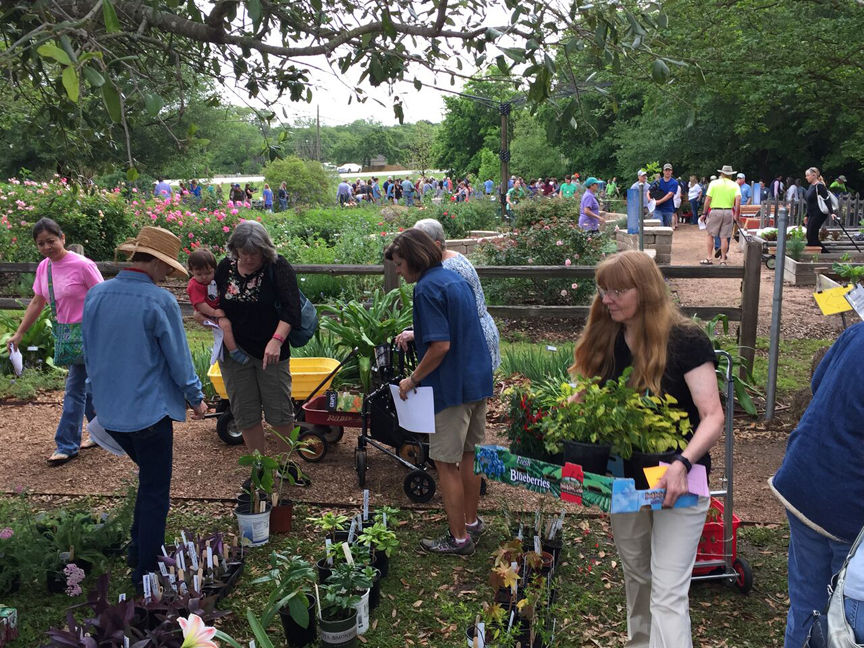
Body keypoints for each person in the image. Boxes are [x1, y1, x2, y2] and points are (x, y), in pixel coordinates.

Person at [570, 250, 724, 648]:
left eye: (617, 291)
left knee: (668, 592)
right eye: (603, 291)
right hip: (625, 483)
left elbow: (712, 416)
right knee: (638, 578)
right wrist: (561, 414)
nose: (607, 299)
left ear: (645, 290)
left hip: (680, 483)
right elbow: (585, 399)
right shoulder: (609, 338)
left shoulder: (686, 340)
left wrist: (682, 463)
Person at [82, 226, 207, 590]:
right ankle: (146, 574)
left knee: (148, 480)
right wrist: (196, 397)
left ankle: (137, 548)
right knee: (155, 491)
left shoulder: (97, 294)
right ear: (154, 262)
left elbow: (88, 350)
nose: (166, 275)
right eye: (166, 267)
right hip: (148, 414)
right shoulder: (158, 300)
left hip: (109, 412)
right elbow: (179, 359)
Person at [386, 229, 493, 555]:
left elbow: (441, 346)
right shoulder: (454, 279)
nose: (398, 272)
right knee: (469, 455)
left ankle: (459, 539)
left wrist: (412, 379)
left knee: (444, 462)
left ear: (414, 259)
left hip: (451, 387)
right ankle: (471, 522)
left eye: (400, 264)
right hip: (477, 379)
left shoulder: (426, 288)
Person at [770, 323, 864, 647]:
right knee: (844, 619)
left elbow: (818, 382)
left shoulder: (857, 333)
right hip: (847, 501)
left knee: (807, 605)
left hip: (803, 480)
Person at [8, 218, 104, 465]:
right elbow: (37, 301)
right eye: (41, 244)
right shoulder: (45, 268)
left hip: (92, 335)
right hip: (68, 338)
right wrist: (19, 333)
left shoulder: (83, 265)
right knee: (84, 387)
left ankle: (68, 444)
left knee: (77, 388)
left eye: (51, 241)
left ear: (62, 238)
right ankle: (99, 433)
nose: (47, 247)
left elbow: (104, 298)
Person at [213, 221, 302, 454]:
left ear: (265, 249)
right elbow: (213, 301)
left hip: (271, 353)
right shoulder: (225, 268)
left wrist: (276, 340)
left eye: (255, 253)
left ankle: (284, 465)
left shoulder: (278, 267)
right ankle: (259, 466)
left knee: (280, 412)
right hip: (234, 353)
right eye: (244, 253)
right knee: (245, 413)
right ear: (235, 249)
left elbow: (292, 310)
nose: (249, 258)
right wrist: (215, 318)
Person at [408, 218, 501, 371]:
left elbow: (451, 318)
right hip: (478, 332)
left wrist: (415, 334)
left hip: (473, 339)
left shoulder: (446, 270)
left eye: (419, 245)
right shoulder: (454, 256)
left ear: (436, 245)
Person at [185, 249, 248, 365]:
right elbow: (200, 305)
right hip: (208, 312)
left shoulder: (215, 279)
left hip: (216, 309)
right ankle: (233, 351)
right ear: (191, 271)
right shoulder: (194, 285)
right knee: (225, 325)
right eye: (199, 274)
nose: (204, 277)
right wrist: (214, 313)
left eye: (208, 273)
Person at [700, 165, 740, 265]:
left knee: (710, 235)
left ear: (721, 173)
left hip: (715, 211)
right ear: (731, 175)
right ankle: (722, 260)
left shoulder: (714, 183)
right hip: (728, 211)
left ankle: (709, 258)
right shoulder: (735, 185)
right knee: (724, 237)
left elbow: (708, 199)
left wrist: (704, 213)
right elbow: (738, 201)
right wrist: (736, 215)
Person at [804, 167, 835, 251]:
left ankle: (824, 253)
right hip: (812, 214)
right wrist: (806, 215)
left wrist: (832, 212)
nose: (806, 177)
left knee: (812, 235)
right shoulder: (811, 186)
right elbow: (810, 203)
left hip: (819, 214)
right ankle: (816, 252)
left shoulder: (820, 186)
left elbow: (827, 199)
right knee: (810, 236)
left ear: (814, 175)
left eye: (808, 175)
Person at [653, 163, 679, 228]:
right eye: (666, 170)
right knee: (659, 227)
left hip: (668, 209)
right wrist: (650, 200)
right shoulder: (658, 182)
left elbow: (670, 195)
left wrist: (658, 202)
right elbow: (649, 191)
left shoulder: (674, 182)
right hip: (658, 209)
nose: (667, 172)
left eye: (669, 170)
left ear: (671, 171)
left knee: (666, 229)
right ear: (663, 171)